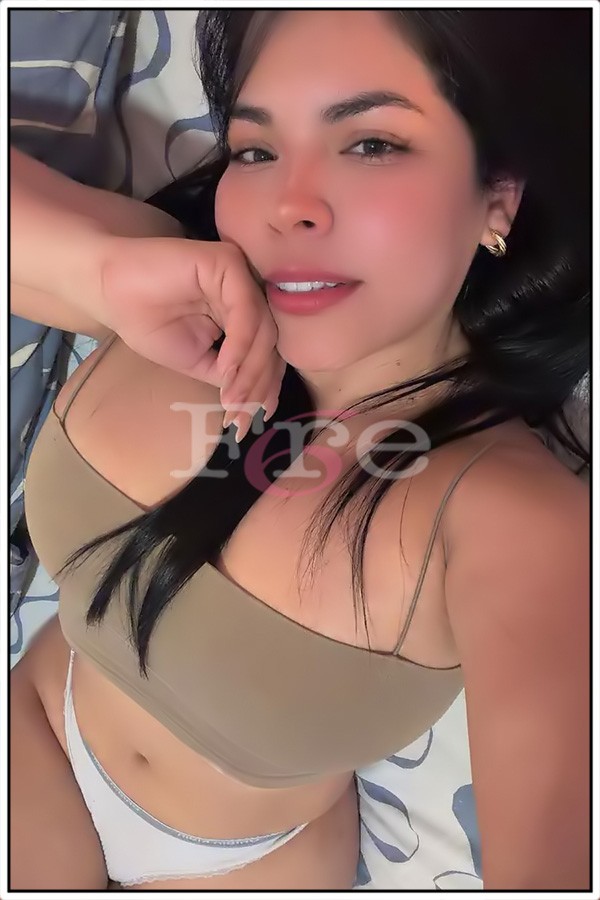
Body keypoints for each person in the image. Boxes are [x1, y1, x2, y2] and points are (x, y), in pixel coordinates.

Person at [10, 9, 590, 890]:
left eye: (372, 144)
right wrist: (97, 268)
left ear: (497, 195)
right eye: (255, 150)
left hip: (243, 864)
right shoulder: (170, 292)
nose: (289, 206)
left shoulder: (510, 515)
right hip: (36, 723)